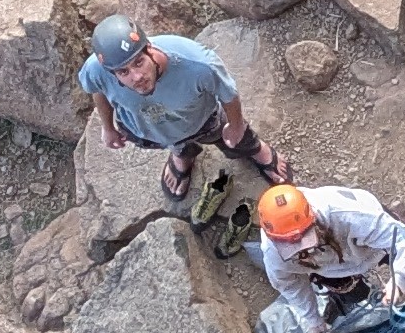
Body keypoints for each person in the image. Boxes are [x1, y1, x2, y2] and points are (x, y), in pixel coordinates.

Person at [77, 15, 282, 213]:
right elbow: (98, 89)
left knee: (232, 137)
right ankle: (182, 156)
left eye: (139, 62)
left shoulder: (199, 65)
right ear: (111, 72)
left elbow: (228, 94)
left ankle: (255, 149)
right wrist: (108, 127)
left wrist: (236, 126)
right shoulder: (96, 69)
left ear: (149, 48)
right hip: (149, 129)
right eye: (124, 72)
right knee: (178, 146)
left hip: (203, 120)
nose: (137, 77)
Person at [251, 180, 405, 333]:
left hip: (370, 245)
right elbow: (290, 284)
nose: (301, 250)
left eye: (304, 240)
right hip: (329, 266)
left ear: (313, 219)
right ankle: (352, 299)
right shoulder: (274, 253)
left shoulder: (351, 215)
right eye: (292, 247)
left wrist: (399, 281)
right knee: (349, 293)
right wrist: (313, 322)